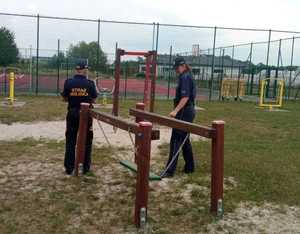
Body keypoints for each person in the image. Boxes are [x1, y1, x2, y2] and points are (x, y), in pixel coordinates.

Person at [61, 61, 98, 175]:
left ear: (76, 70)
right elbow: (94, 99)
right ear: (84, 70)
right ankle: (86, 168)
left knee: (70, 141)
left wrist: (73, 99)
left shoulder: (68, 82)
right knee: (87, 141)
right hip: (86, 115)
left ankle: (69, 168)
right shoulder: (90, 84)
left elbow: (64, 98)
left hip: (72, 113)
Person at [162, 57, 196, 178]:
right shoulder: (187, 75)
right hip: (188, 110)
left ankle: (169, 171)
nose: (176, 70)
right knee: (184, 139)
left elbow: (185, 97)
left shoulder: (185, 77)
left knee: (176, 139)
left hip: (184, 111)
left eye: (177, 68)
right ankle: (190, 167)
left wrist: (175, 111)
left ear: (182, 66)